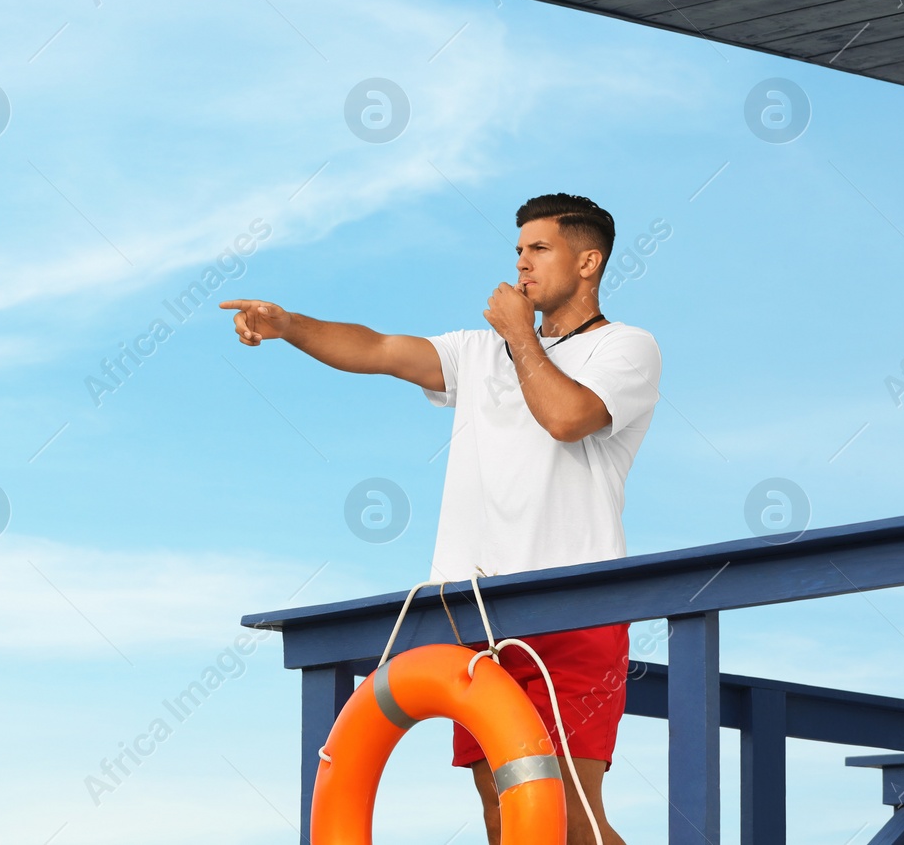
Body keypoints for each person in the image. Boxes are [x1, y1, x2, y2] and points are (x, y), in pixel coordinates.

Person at [219, 192, 661, 845]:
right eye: (518, 250)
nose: (522, 264)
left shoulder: (626, 348)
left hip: (574, 608)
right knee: (500, 809)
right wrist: (290, 324)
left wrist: (519, 336)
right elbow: (378, 349)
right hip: (474, 611)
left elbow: (567, 419)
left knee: (568, 813)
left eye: (539, 248)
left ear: (588, 260)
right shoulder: (477, 353)